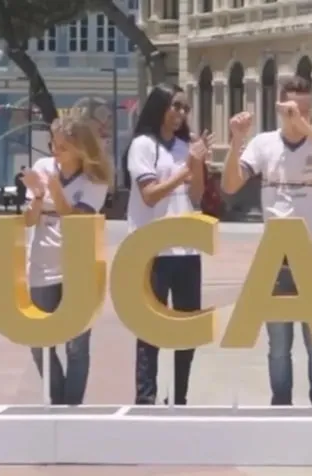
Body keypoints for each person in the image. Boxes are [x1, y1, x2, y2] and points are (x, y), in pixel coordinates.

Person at [221, 77, 312, 406]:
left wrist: (306, 127)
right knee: (278, 343)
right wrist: (236, 141)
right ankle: (281, 404)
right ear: (279, 109)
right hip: (276, 256)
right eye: (291, 109)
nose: (298, 115)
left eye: (304, 109)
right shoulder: (264, 144)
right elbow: (231, 184)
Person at [125, 83, 208, 405]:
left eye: (186, 108)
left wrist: (197, 164)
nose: (181, 114)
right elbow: (149, 195)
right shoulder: (143, 146)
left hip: (186, 248)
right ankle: (146, 398)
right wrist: (185, 168)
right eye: (176, 106)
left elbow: (197, 196)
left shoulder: (185, 146)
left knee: (187, 326)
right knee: (150, 328)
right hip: (152, 249)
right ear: (160, 106)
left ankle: (181, 396)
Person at [23, 116, 112, 405]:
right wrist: (38, 195)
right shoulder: (43, 168)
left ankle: (71, 408)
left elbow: (76, 220)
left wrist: (56, 189)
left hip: (77, 268)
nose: (55, 152)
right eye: (53, 144)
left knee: (77, 345)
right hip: (41, 266)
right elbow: (28, 220)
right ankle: (56, 401)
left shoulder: (94, 180)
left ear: (80, 148)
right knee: (39, 341)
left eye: (62, 146)